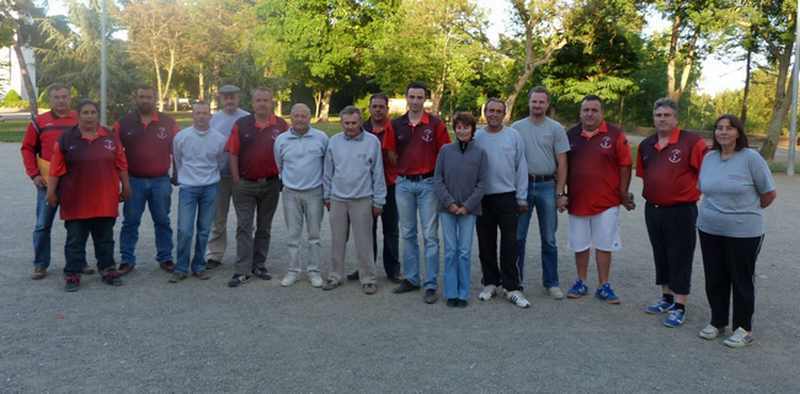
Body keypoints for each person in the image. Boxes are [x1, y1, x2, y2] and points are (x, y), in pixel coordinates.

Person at [697, 114, 776, 348]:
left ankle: (743, 329)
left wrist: (743, 212)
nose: (723, 132)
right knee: (715, 277)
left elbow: (769, 193)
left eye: (729, 128)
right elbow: (704, 188)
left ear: (738, 133)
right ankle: (717, 321)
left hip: (744, 232)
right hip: (709, 228)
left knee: (740, 279)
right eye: (719, 128)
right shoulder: (709, 157)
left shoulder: (751, 158)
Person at [637, 98, 708, 327]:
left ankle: (680, 305)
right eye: (658, 115)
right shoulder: (646, 145)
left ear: (676, 118)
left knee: (680, 256)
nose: (662, 119)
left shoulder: (692, 142)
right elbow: (644, 174)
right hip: (654, 209)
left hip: (681, 210)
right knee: (661, 254)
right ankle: (666, 297)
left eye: (667, 115)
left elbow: (707, 173)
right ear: (653, 118)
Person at [47, 100, 131, 291]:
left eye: (93, 112)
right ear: (78, 115)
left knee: (105, 239)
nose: (89, 116)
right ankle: (72, 274)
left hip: (105, 199)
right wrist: (51, 192)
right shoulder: (66, 139)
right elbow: (55, 169)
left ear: (98, 115)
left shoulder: (110, 136)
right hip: (75, 200)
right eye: (85, 112)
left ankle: (108, 269)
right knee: (75, 240)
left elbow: (121, 164)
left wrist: (126, 186)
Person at [563, 95, 634, 304]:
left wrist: (623, 193)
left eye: (594, 110)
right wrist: (562, 194)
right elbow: (562, 166)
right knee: (580, 245)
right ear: (580, 113)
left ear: (601, 113)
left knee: (604, 245)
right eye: (586, 110)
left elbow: (625, 164)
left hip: (606, 201)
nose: (590, 114)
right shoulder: (570, 135)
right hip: (577, 200)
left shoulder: (614, 134)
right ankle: (581, 281)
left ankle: (604, 285)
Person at [21, 83, 94, 279]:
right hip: (47, 182)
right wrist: (34, 174)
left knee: (78, 224)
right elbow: (27, 148)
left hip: (75, 182)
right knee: (43, 225)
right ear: (50, 100)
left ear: (70, 98)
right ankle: (40, 264)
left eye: (64, 97)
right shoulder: (39, 122)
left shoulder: (79, 119)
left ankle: (79, 261)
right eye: (57, 97)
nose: (61, 101)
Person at [391, 82, 451, 304]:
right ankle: (411, 278)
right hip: (404, 184)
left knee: (430, 235)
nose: (415, 101)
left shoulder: (435, 124)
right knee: (407, 233)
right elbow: (391, 153)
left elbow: (445, 153)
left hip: (428, 183)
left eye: (419, 97)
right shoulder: (396, 124)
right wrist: (403, 172)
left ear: (425, 99)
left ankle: (431, 283)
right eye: (411, 97)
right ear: (406, 98)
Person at [226, 87, 288, 287]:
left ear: (272, 102)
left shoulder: (281, 125)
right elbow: (233, 153)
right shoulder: (241, 124)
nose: (262, 103)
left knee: (264, 227)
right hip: (245, 184)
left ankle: (259, 265)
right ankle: (242, 270)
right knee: (244, 226)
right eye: (258, 100)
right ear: (252, 103)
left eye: (266, 100)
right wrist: (236, 180)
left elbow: (289, 152)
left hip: (270, 184)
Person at [512, 86, 569, 299]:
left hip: (547, 185)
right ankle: (516, 281)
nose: (537, 105)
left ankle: (551, 282)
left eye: (541, 102)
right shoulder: (517, 127)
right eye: (534, 101)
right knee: (518, 236)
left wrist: (560, 192)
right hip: (523, 185)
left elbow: (562, 162)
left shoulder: (556, 129)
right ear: (529, 103)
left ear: (547, 104)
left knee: (549, 238)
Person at [322, 106, 386, 294]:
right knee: (337, 240)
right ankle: (335, 275)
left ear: (360, 122)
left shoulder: (372, 141)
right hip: (337, 199)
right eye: (346, 123)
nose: (350, 127)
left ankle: (368, 278)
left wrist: (379, 201)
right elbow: (327, 172)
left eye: (354, 123)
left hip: (362, 198)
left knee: (364, 241)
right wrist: (327, 196)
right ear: (341, 122)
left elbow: (378, 172)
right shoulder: (333, 142)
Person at [474, 99, 531, 308]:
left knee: (510, 244)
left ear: (504, 114)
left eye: (499, 111)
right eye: (491, 111)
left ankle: (511, 286)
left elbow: (521, 167)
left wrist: (522, 197)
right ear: (485, 113)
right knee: (485, 242)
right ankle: (490, 282)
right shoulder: (477, 136)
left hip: (508, 196)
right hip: (483, 197)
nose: (494, 114)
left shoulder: (513, 136)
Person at [116, 86, 179, 275]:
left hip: (161, 181)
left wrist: (177, 173)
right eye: (141, 96)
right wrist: (123, 183)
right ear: (135, 98)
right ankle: (127, 259)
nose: (145, 100)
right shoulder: (123, 124)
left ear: (155, 98)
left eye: (149, 97)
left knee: (162, 220)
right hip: (134, 181)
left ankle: (165, 257)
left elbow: (178, 150)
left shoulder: (168, 122)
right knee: (130, 222)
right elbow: (117, 155)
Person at [432, 112, 487, 308]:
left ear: (472, 130)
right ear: (454, 129)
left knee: (464, 251)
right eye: (459, 127)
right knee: (450, 251)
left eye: (466, 127)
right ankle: (451, 291)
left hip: (468, 210)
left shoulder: (480, 153)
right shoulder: (445, 151)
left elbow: (482, 183)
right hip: (448, 209)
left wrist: (467, 205)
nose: (462, 130)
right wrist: (450, 203)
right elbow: (437, 179)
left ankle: (463, 293)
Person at [169, 102, 228, 283]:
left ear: (210, 116)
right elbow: (178, 161)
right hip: (188, 188)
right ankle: (181, 267)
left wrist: (209, 177)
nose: (201, 116)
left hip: (210, 188)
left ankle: (199, 266)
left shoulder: (219, 139)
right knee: (185, 230)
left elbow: (220, 162)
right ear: (192, 116)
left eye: (205, 113)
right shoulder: (181, 137)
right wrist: (188, 177)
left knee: (204, 230)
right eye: (198, 113)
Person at [346, 93, 401, 283]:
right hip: (365, 187)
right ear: (369, 108)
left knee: (391, 229)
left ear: (387, 109)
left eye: (381, 106)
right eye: (374, 106)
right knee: (366, 230)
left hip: (391, 184)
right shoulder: (361, 129)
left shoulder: (395, 128)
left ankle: (393, 269)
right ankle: (365, 267)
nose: (378, 109)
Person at [274, 103, 328, 288]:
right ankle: (293, 271)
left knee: (314, 235)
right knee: (293, 235)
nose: (299, 119)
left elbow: (326, 166)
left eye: (303, 116)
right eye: (296, 116)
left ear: (310, 118)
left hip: (314, 193)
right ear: (291, 118)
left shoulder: (321, 138)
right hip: (291, 193)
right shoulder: (281, 140)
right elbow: (279, 165)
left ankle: (314, 271)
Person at [205, 85, 250, 270]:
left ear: (239, 98)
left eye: (233, 97)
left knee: (244, 219)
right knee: (218, 218)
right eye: (226, 97)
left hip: (242, 175)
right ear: (221, 99)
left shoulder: (246, 118)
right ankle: (215, 254)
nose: (230, 101)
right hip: (220, 175)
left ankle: (245, 255)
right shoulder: (213, 119)